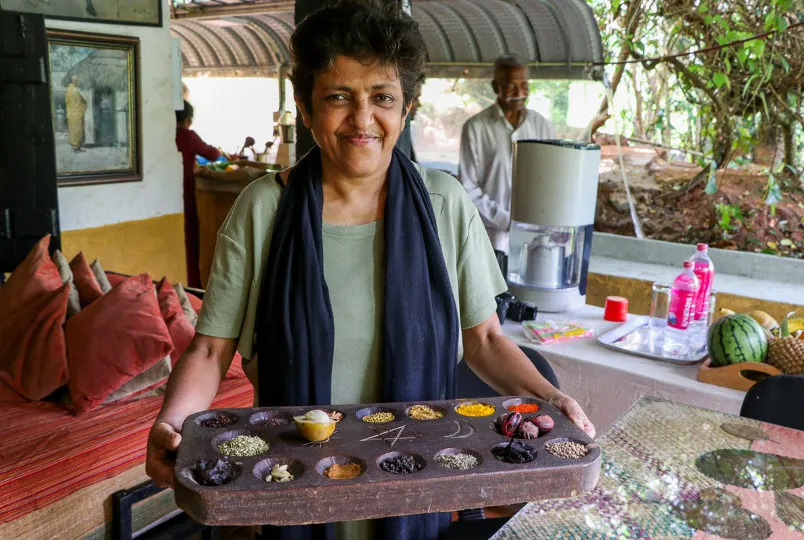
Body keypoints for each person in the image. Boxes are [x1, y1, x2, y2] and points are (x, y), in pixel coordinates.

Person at [147, 3, 593, 540]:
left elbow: (485, 340)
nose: (362, 119)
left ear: (405, 110)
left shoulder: (444, 205)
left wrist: (552, 398)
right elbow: (210, 350)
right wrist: (171, 424)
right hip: (294, 481)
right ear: (307, 110)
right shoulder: (264, 208)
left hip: (415, 479)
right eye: (338, 97)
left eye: (382, 97)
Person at [459, 54, 555, 255]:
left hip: (534, 240)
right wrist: (506, 221)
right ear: (495, 87)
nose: (520, 93)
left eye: (524, 85)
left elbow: (550, 181)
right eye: (511, 86)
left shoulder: (542, 126)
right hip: (489, 241)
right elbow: (468, 187)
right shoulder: (476, 128)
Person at [175, 100, 224, 288]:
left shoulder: (166, 134)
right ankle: (194, 284)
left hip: (172, 191)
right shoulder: (188, 136)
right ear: (187, 120)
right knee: (191, 237)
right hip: (186, 191)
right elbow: (212, 154)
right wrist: (221, 152)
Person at [65, 75, 87, 153]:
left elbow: (67, 102)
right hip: (77, 113)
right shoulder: (76, 90)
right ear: (74, 81)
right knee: (78, 130)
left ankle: (76, 147)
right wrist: (84, 105)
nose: (77, 82)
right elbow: (83, 99)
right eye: (77, 81)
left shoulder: (67, 90)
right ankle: (77, 147)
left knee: (73, 130)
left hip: (71, 113)